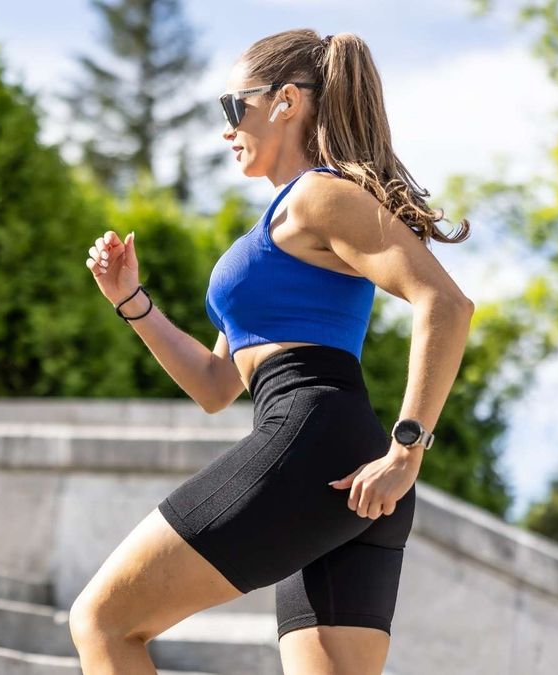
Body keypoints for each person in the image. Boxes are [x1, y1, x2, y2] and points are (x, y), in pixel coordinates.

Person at [72, 29, 474, 675]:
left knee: (102, 622)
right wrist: (131, 300)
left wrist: (407, 450)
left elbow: (446, 304)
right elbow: (215, 385)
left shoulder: (321, 195)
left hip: (311, 445)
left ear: (286, 101)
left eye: (234, 106)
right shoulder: (283, 221)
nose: (226, 128)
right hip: (336, 460)